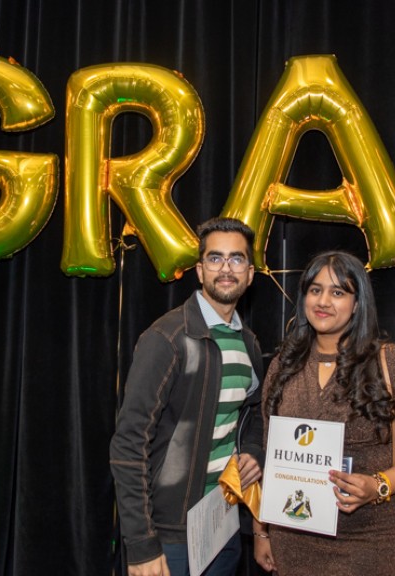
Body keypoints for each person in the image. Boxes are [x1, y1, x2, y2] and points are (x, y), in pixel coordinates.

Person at [253, 251, 395, 576]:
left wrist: (378, 485)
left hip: (373, 544)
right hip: (294, 542)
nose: (323, 301)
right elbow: (271, 459)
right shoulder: (282, 366)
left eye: (337, 292)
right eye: (315, 290)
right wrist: (261, 531)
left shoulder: (392, 363)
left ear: (357, 303)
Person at [110, 217, 265, 576]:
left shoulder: (249, 343)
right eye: (215, 258)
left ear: (250, 273)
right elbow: (128, 445)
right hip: (169, 536)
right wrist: (142, 544)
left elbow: (252, 415)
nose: (226, 268)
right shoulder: (167, 339)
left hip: (223, 525)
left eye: (237, 259)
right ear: (199, 270)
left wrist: (254, 452)